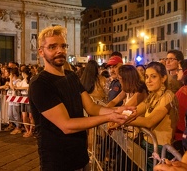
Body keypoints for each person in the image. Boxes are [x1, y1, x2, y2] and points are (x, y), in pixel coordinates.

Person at [28, 25, 135, 170]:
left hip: (80, 156)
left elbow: (91, 107)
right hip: (57, 161)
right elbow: (66, 125)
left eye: (63, 46)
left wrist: (117, 111)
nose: (60, 50)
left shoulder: (71, 76)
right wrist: (108, 118)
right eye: (52, 47)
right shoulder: (40, 83)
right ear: (41, 52)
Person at [126, 61, 178, 171]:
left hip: (161, 149)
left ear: (163, 78)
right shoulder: (152, 96)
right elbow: (135, 110)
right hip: (147, 145)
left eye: (153, 77)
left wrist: (121, 120)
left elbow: (149, 121)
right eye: (146, 77)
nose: (148, 81)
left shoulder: (168, 96)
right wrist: (116, 116)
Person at [15, 67, 34, 137]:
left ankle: (31, 130)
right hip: (23, 98)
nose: (22, 74)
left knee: (31, 116)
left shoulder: (31, 80)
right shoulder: (22, 81)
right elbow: (14, 87)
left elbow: (29, 88)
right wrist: (11, 78)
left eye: (23, 73)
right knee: (24, 116)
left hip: (29, 98)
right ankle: (27, 130)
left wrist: (22, 88)